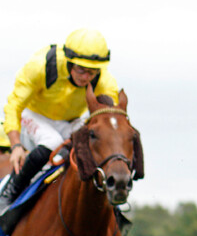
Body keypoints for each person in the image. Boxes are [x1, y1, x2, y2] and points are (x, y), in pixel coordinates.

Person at [0, 29, 118, 212]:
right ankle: (10, 192)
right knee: (52, 141)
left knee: (93, 140)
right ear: (69, 61)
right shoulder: (41, 66)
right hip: (33, 115)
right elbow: (14, 105)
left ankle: (108, 206)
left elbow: (111, 119)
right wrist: (15, 146)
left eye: (92, 72)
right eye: (81, 70)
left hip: (70, 122)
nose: (86, 77)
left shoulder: (104, 81)